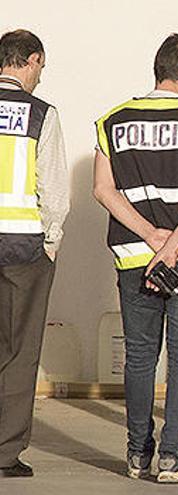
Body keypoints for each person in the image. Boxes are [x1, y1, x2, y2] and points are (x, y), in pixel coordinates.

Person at [93, 33, 178, 483]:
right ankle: (171, 458)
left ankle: (136, 454)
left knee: (139, 357)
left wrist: (150, 236)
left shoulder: (112, 120)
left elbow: (102, 190)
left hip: (135, 255)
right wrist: (170, 246)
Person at [0, 29, 69, 479]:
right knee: (19, 351)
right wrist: (51, 241)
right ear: (32, 59)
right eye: (40, 67)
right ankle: (4, 452)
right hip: (22, 248)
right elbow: (55, 190)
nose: (40, 76)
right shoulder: (39, 113)